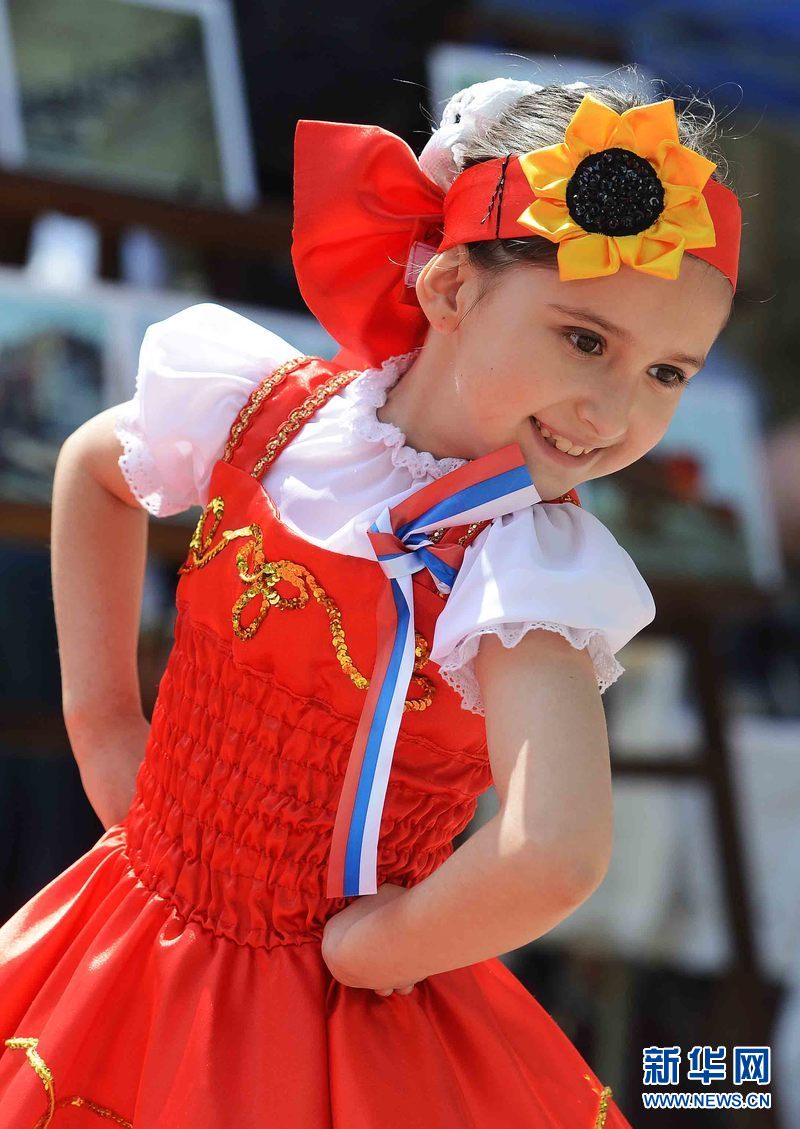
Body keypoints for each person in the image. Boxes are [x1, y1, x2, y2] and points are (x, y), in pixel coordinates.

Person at [0, 76, 741, 1126]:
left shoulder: (523, 568)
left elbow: (555, 852)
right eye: (586, 340)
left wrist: (379, 947)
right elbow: (94, 467)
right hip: (128, 929)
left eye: (667, 373)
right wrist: (104, 727)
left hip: (323, 1027)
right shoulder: (275, 412)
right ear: (450, 288)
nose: (615, 410)